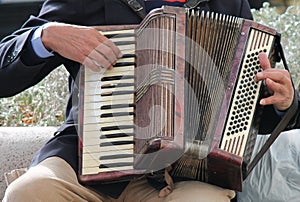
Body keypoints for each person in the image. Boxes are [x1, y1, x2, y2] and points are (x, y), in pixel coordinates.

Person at [1, 0, 299, 201]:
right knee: (28, 192)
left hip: (185, 172)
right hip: (85, 162)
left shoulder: (227, 4)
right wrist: (47, 36)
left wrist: (283, 102)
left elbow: (249, 109)